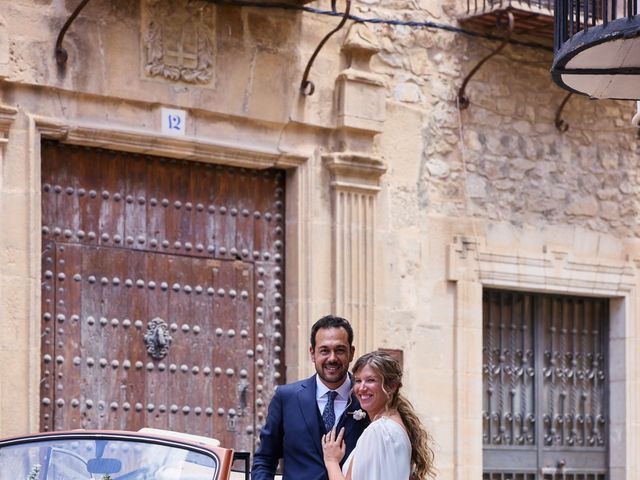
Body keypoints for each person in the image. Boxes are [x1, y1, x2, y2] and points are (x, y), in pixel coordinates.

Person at [251, 315, 370, 480]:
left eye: (340, 350)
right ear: (312, 353)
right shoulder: (286, 398)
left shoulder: (367, 399)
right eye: (324, 351)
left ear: (351, 353)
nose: (332, 358)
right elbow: (265, 459)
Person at [321, 350, 436, 480]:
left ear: (392, 386)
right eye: (358, 380)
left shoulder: (379, 430)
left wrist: (331, 461)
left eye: (370, 380)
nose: (361, 388)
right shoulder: (396, 426)